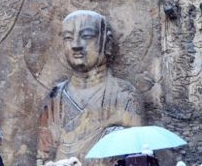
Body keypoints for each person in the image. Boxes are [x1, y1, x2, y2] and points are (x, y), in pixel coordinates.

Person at [38, 10, 144, 163]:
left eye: (86, 36)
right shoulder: (55, 98)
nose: (75, 45)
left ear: (106, 43)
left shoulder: (125, 95)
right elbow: (42, 158)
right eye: (68, 38)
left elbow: (138, 158)